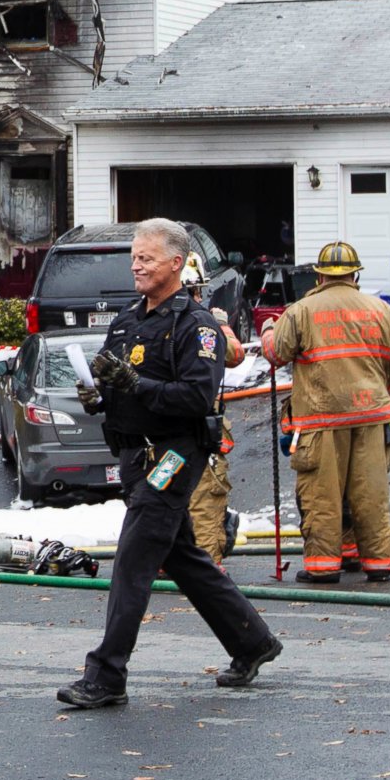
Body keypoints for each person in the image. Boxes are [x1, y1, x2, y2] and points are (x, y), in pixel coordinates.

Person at [57, 219, 282, 709]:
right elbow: (115, 379)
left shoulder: (195, 325)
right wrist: (99, 397)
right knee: (181, 555)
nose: (137, 265)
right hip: (136, 452)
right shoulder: (128, 319)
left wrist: (135, 386)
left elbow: (195, 396)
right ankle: (252, 641)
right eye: (134, 257)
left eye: (147, 258)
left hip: (175, 454)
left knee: (134, 560)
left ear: (175, 264)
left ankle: (106, 674)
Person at [262, 240, 390, 583]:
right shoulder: (381, 311)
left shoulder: (301, 311)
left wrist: (268, 329)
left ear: (319, 276)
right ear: (354, 274)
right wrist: (388, 405)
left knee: (323, 495)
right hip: (372, 418)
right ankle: (378, 565)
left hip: (321, 420)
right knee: (371, 493)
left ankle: (322, 566)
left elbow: (276, 354)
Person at [176, 254, 248, 565]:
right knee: (205, 497)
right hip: (197, 431)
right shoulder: (199, 324)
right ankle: (205, 569)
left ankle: (169, 562)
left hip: (158, 436)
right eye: (197, 292)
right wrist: (221, 325)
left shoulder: (143, 321)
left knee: (164, 499)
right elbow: (233, 354)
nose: (200, 298)